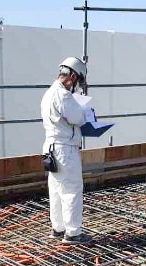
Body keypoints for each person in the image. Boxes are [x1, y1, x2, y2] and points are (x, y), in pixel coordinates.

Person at [40, 57, 92, 244]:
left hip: (51, 148)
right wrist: (84, 109)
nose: (76, 85)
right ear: (73, 76)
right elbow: (78, 118)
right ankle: (73, 233)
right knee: (71, 190)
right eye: (78, 81)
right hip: (64, 149)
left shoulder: (49, 93)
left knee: (56, 189)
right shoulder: (63, 95)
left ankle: (58, 228)